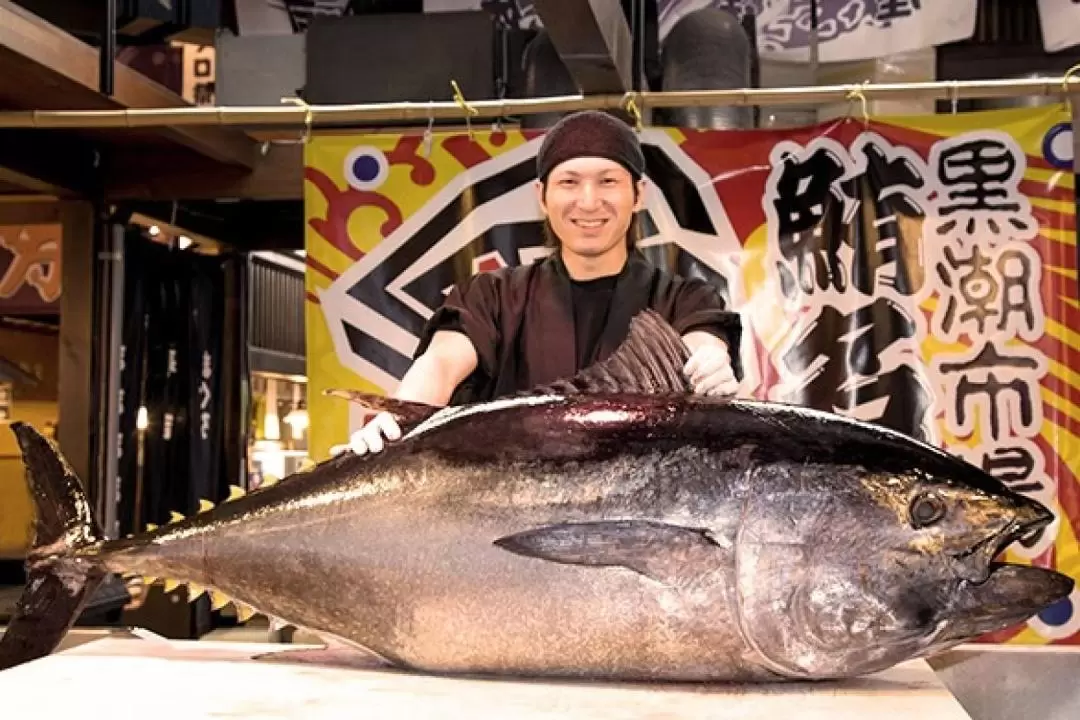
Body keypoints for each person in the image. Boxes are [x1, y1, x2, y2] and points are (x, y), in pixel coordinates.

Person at [343, 110, 742, 455]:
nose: (588, 202)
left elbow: (703, 343)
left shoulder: (685, 298)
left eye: (608, 181)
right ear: (542, 195)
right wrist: (396, 420)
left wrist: (711, 364)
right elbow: (442, 363)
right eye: (569, 182)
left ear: (638, 195)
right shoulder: (490, 296)